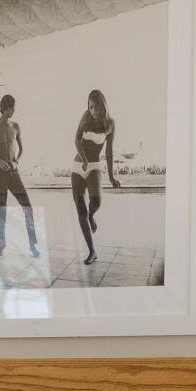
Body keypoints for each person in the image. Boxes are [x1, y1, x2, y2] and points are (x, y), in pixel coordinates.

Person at [0, 94, 38, 259]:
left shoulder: (16, 126)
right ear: (5, 107)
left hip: (13, 174)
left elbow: (22, 150)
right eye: (12, 107)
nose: (14, 110)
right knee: (1, 211)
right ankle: (1, 245)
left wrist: (17, 162)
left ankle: (32, 245)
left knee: (27, 207)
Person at [71, 88, 118, 266]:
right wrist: (83, 159)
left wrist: (112, 177)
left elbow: (109, 151)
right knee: (79, 206)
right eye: (90, 107)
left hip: (95, 165)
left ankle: (92, 216)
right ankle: (92, 251)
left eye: (95, 107)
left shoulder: (110, 123)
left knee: (96, 201)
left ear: (102, 106)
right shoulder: (85, 117)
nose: (92, 110)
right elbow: (76, 140)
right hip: (78, 165)